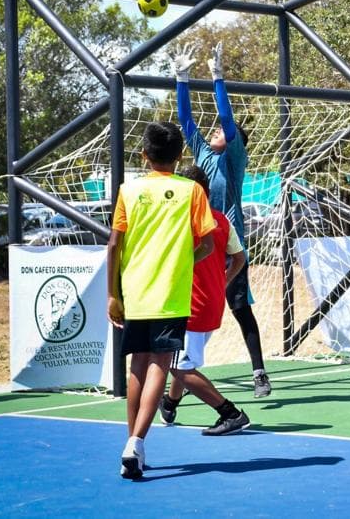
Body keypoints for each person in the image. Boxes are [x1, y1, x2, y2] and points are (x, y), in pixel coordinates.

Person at [107, 122, 216, 479]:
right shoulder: (191, 191)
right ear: (180, 155)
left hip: (134, 291)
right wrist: (183, 260)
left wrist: (112, 293)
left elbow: (114, 244)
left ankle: (132, 444)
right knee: (160, 363)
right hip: (171, 292)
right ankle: (137, 441)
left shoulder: (128, 190)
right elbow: (208, 244)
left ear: (144, 155)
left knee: (137, 363)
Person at [173, 41, 271, 398]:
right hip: (199, 244)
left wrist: (218, 78)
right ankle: (180, 383)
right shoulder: (201, 153)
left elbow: (228, 122)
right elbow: (186, 120)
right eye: (212, 129)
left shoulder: (234, 159)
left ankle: (259, 373)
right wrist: (182, 79)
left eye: (221, 131)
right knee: (187, 314)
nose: (215, 130)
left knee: (240, 308)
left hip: (230, 246)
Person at [158, 165, 250, 435]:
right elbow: (240, 258)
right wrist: (222, 281)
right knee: (185, 360)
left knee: (177, 365)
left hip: (191, 304)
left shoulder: (183, 220)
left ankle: (230, 413)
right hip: (213, 301)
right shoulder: (222, 219)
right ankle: (170, 402)